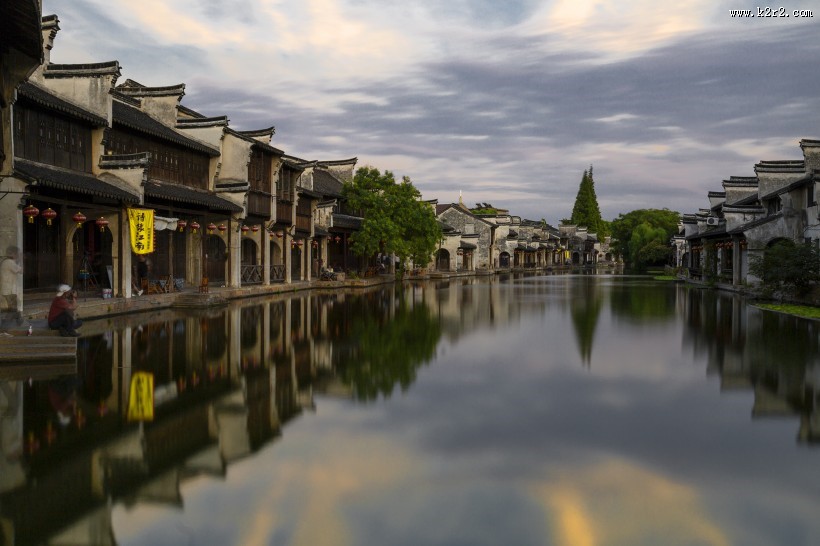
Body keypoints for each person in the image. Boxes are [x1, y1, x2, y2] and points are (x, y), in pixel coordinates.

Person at [0, 245, 24, 333]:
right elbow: (21, 271)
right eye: (17, 254)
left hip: (8, 290)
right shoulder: (9, 262)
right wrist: (21, 259)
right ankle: (5, 329)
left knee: (13, 309)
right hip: (9, 290)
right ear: (13, 254)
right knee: (12, 310)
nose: (18, 255)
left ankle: (18, 321)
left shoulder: (7, 262)